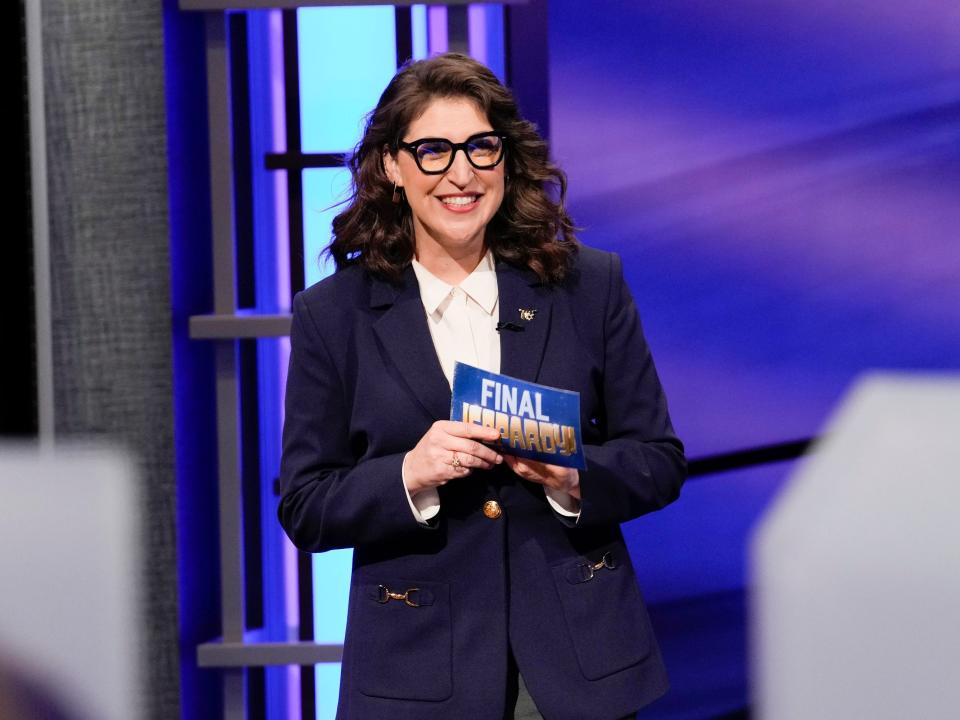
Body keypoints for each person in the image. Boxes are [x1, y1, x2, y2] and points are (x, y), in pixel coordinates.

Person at [278, 52, 686, 720]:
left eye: (480, 148)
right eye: (433, 151)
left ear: (507, 158)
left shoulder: (588, 286)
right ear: (391, 165)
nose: (461, 174)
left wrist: (571, 479)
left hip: (578, 663)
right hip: (418, 670)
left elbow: (659, 460)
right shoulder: (335, 315)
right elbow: (306, 505)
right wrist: (409, 474)